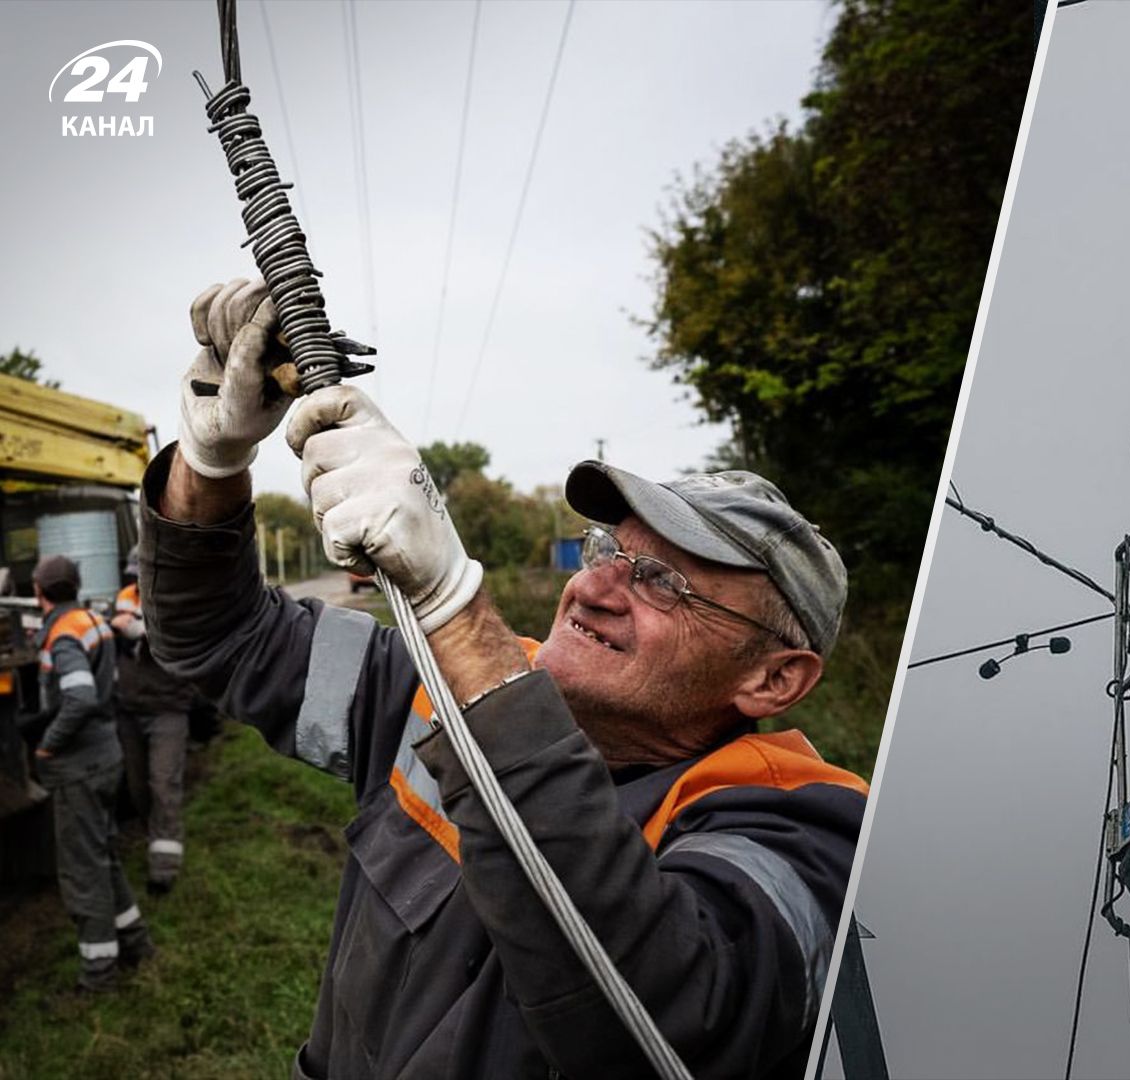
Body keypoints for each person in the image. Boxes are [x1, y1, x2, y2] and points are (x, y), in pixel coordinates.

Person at [144, 278, 868, 1077]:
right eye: (605, 551)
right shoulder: (429, 693)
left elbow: (665, 1021)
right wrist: (210, 460)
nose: (594, 587)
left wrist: (452, 604)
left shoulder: (809, 837)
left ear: (774, 679)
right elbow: (222, 637)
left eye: (663, 580)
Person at [26, 555, 154, 990]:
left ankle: (99, 974)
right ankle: (135, 942)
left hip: (79, 765)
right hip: (106, 754)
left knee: (83, 870)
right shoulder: (88, 620)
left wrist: (47, 745)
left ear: (40, 591)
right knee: (103, 855)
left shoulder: (62, 635)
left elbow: (78, 698)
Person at [111, 558, 197, 894]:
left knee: (163, 783)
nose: (138, 583)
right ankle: (155, 837)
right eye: (135, 577)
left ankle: (163, 870)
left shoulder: (176, 601)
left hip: (168, 709)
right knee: (137, 787)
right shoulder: (124, 597)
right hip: (129, 708)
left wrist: (140, 628)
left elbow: (177, 632)